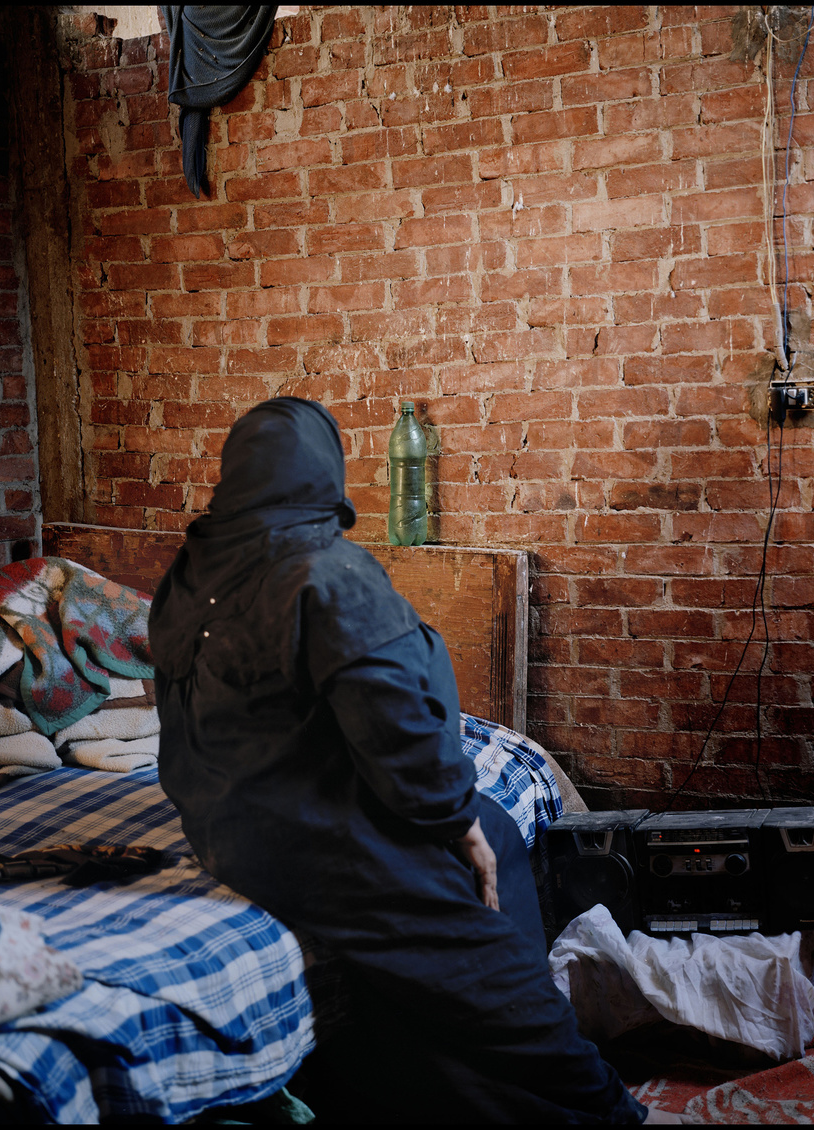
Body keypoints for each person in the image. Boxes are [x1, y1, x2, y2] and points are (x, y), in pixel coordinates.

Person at [150, 399, 678, 1124]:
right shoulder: (327, 572)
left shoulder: (188, 572)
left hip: (224, 837)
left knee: (484, 856)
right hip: (318, 844)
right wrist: (455, 821)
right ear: (322, 473)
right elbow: (400, 729)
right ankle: (612, 1113)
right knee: (491, 963)